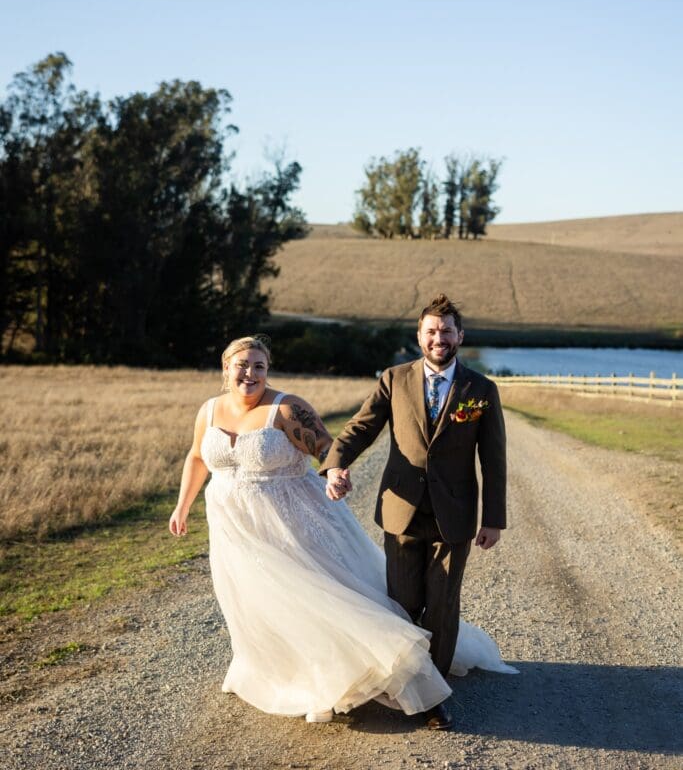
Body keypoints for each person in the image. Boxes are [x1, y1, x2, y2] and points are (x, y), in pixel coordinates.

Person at [170, 333, 515, 729]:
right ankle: (274, 669)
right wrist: (182, 506)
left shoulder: (286, 409)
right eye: (241, 365)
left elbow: (325, 447)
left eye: (259, 366)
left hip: (290, 523)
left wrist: (335, 473)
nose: (249, 373)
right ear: (226, 368)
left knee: (313, 598)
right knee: (254, 600)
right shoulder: (209, 410)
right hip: (233, 526)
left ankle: (329, 683)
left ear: (268, 370)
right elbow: (197, 457)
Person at [320, 294, 510, 730]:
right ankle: (403, 682)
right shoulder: (394, 378)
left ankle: (432, 696)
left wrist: (493, 518)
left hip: (455, 515)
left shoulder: (480, 390)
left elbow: (493, 459)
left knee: (442, 605)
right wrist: (335, 464)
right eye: (431, 331)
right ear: (419, 336)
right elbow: (362, 426)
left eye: (447, 331)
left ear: (460, 336)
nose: (439, 338)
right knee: (403, 603)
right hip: (401, 509)